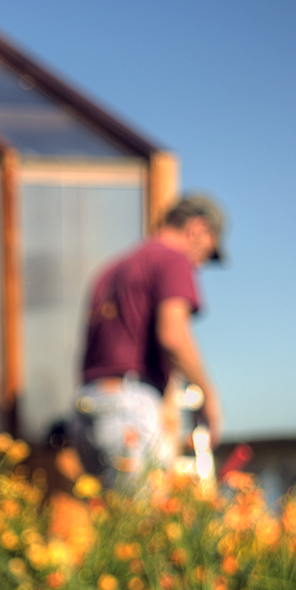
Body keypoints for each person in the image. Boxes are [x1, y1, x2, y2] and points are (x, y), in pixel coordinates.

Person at [71, 193, 225, 488]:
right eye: (209, 251)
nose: (202, 264)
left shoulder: (113, 268)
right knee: (147, 526)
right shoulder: (171, 259)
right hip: (126, 409)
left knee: (115, 526)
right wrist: (208, 396)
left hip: (87, 406)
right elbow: (173, 336)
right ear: (198, 229)